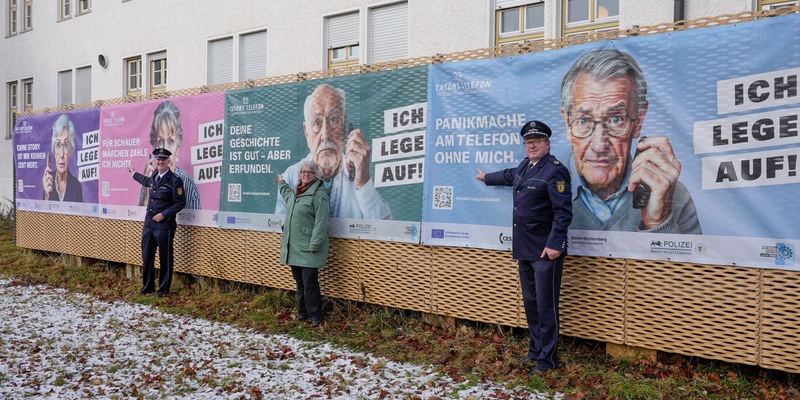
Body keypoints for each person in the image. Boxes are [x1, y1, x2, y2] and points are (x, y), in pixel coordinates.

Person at [559, 49, 701, 234]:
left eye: (616, 119)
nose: (599, 145)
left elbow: (688, 264)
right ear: (567, 123)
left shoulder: (672, 195)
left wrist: (657, 222)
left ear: (639, 121)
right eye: (584, 121)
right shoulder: (539, 190)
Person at [476, 120, 573, 375]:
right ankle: (535, 351)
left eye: (536, 142)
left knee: (545, 305)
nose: (531, 145)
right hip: (525, 250)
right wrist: (487, 177)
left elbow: (563, 212)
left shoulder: (555, 171)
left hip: (545, 252)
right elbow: (509, 176)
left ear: (547, 144)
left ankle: (547, 360)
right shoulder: (525, 166)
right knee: (531, 302)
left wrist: (555, 244)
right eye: (528, 142)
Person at [275, 83, 391, 220]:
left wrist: (364, 183)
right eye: (317, 123)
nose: (325, 135)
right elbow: (280, 232)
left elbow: (386, 231)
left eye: (333, 120)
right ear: (307, 133)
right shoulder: (290, 177)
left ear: (344, 125)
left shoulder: (362, 173)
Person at [276, 159, 330, 326]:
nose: (306, 174)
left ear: (315, 175)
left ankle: (315, 316)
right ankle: (302, 313)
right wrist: (281, 183)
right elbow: (286, 194)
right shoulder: (295, 192)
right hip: (295, 247)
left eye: (310, 172)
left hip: (309, 248)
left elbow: (321, 222)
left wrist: (314, 244)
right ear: (300, 174)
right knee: (299, 282)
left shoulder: (319, 194)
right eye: (303, 172)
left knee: (309, 283)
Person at [128, 148, 186, 298]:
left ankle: (163, 289)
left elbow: (180, 203)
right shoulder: (154, 175)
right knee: (147, 255)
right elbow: (146, 182)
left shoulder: (175, 180)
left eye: (163, 160)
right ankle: (147, 286)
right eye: (158, 160)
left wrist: (164, 215)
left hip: (164, 225)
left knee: (165, 257)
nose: (160, 162)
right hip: (149, 225)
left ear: (168, 161)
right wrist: (133, 173)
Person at [138, 100, 201, 209]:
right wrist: (147, 190)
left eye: (171, 142)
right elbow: (141, 216)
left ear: (178, 145)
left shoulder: (189, 186)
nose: (165, 150)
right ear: (154, 145)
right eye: (161, 142)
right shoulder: (150, 179)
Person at [42, 114, 83, 202]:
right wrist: (46, 196)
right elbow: (43, 214)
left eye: (66, 145)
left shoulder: (77, 186)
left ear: (70, 151)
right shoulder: (48, 182)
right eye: (58, 146)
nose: (61, 155)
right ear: (53, 150)